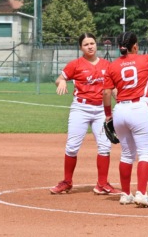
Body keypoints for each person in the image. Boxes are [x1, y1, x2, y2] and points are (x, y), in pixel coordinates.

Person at [50, 33, 120, 195]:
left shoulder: (107, 65)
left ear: (97, 45)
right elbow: (60, 78)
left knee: (104, 146)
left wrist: (123, 100)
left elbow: (112, 90)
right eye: (86, 44)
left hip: (101, 110)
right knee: (72, 146)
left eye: (92, 43)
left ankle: (102, 184)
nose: (90, 46)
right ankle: (67, 182)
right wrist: (60, 82)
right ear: (81, 47)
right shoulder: (75, 64)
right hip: (80, 109)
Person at [103, 30, 148, 207]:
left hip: (120, 110)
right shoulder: (144, 59)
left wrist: (108, 116)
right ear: (135, 46)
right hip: (140, 108)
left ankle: (125, 194)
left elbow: (107, 92)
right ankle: (142, 194)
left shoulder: (112, 66)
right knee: (145, 153)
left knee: (126, 154)